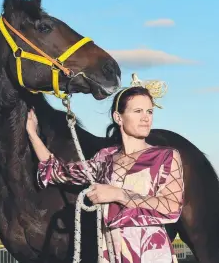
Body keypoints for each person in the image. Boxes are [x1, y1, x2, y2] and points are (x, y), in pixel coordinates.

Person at [26, 74, 184, 263]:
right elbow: (58, 172)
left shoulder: (165, 156)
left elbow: (172, 207)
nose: (145, 118)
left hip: (151, 253)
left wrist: (118, 194)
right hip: (110, 253)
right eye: (138, 111)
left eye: (149, 112)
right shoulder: (105, 158)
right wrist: (32, 134)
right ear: (119, 117)